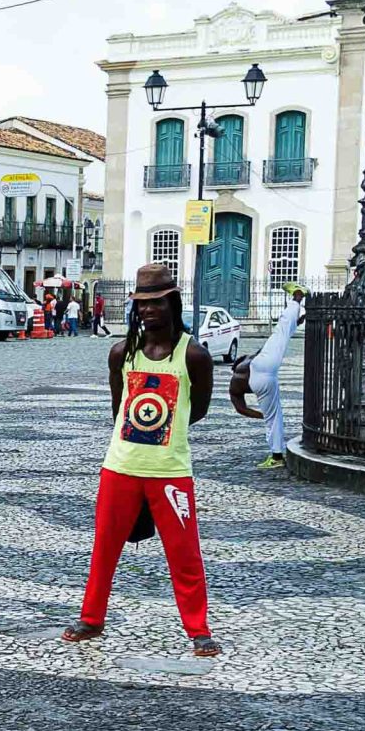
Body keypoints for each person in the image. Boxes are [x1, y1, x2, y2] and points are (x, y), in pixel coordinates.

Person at [64, 262, 219, 657]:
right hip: (120, 466)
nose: (148, 310)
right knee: (104, 547)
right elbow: (119, 407)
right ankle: (91, 618)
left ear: (172, 302)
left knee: (184, 553)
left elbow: (196, 410)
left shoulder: (193, 355)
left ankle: (199, 629)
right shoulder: (122, 352)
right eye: (141, 304)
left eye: (156, 302)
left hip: (170, 471)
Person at [230, 284, 306, 470]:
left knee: (274, 418)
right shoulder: (246, 362)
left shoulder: (237, 379)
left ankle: (277, 456)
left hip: (262, 378)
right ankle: (297, 298)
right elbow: (242, 409)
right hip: (263, 370)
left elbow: (241, 408)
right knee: (280, 334)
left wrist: (262, 415)